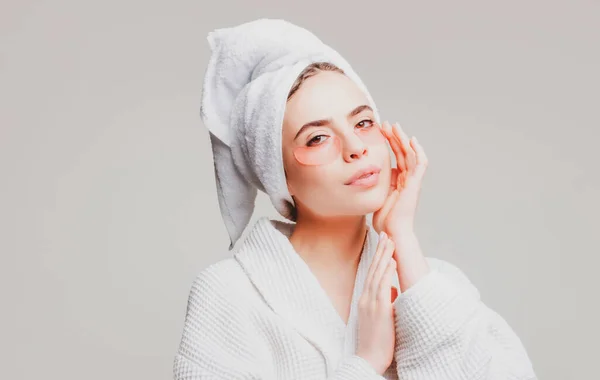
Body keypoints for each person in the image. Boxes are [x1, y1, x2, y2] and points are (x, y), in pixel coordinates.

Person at [173, 19, 538, 379]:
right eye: (317, 138)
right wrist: (366, 363)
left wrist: (403, 240)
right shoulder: (229, 294)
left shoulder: (435, 285)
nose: (356, 148)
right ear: (278, 175)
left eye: (363, 123)